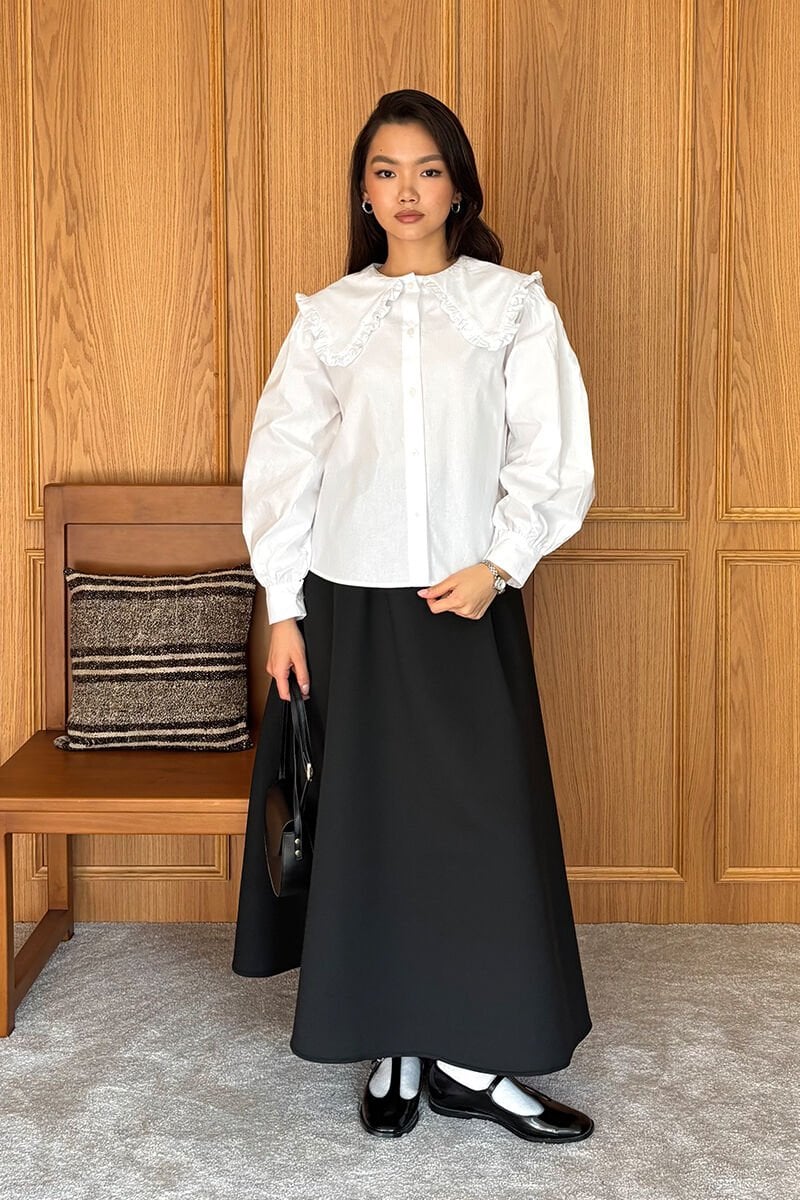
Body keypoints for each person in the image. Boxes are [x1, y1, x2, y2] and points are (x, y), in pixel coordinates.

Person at [232, 88, 597, 1145]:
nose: (406, 190)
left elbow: (551, 453)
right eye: (386, 171)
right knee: (369, 834)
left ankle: (475, 1065)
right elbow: (284, 464)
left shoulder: (510, 306)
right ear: (363, 190)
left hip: (467, 604)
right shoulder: (329, 319)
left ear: (458, 187)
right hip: (346, 609)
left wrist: (500, 563)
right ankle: (393, 1043)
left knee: (480, 833)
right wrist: (284, 609)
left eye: (427, 170)